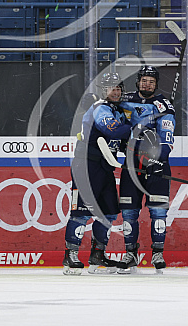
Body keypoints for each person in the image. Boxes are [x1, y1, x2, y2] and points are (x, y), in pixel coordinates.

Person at [63, 72, 131, 275]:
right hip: (86, 166)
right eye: (111, 88)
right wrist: (136, 127)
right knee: (81, 213)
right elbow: (112, 131)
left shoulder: (118, 111)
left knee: (109, 211)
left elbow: (121, 140)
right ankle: (70, 256)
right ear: (103, 90)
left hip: (104, 167)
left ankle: (98, 254)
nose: (116, 91)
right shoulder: (100, 108)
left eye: (118, 88)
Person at [118, 65, 176, 273]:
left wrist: (159, 159)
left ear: (156, 84)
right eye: (144, 80)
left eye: (151, 81)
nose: (147, 84)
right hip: (132, 164)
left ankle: (157, 253)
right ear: (138, 81)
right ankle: (130, 254)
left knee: (158, 211)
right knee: (128, 212)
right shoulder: (125, 99)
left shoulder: (163, 105)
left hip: (157, 164)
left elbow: (167, 135)